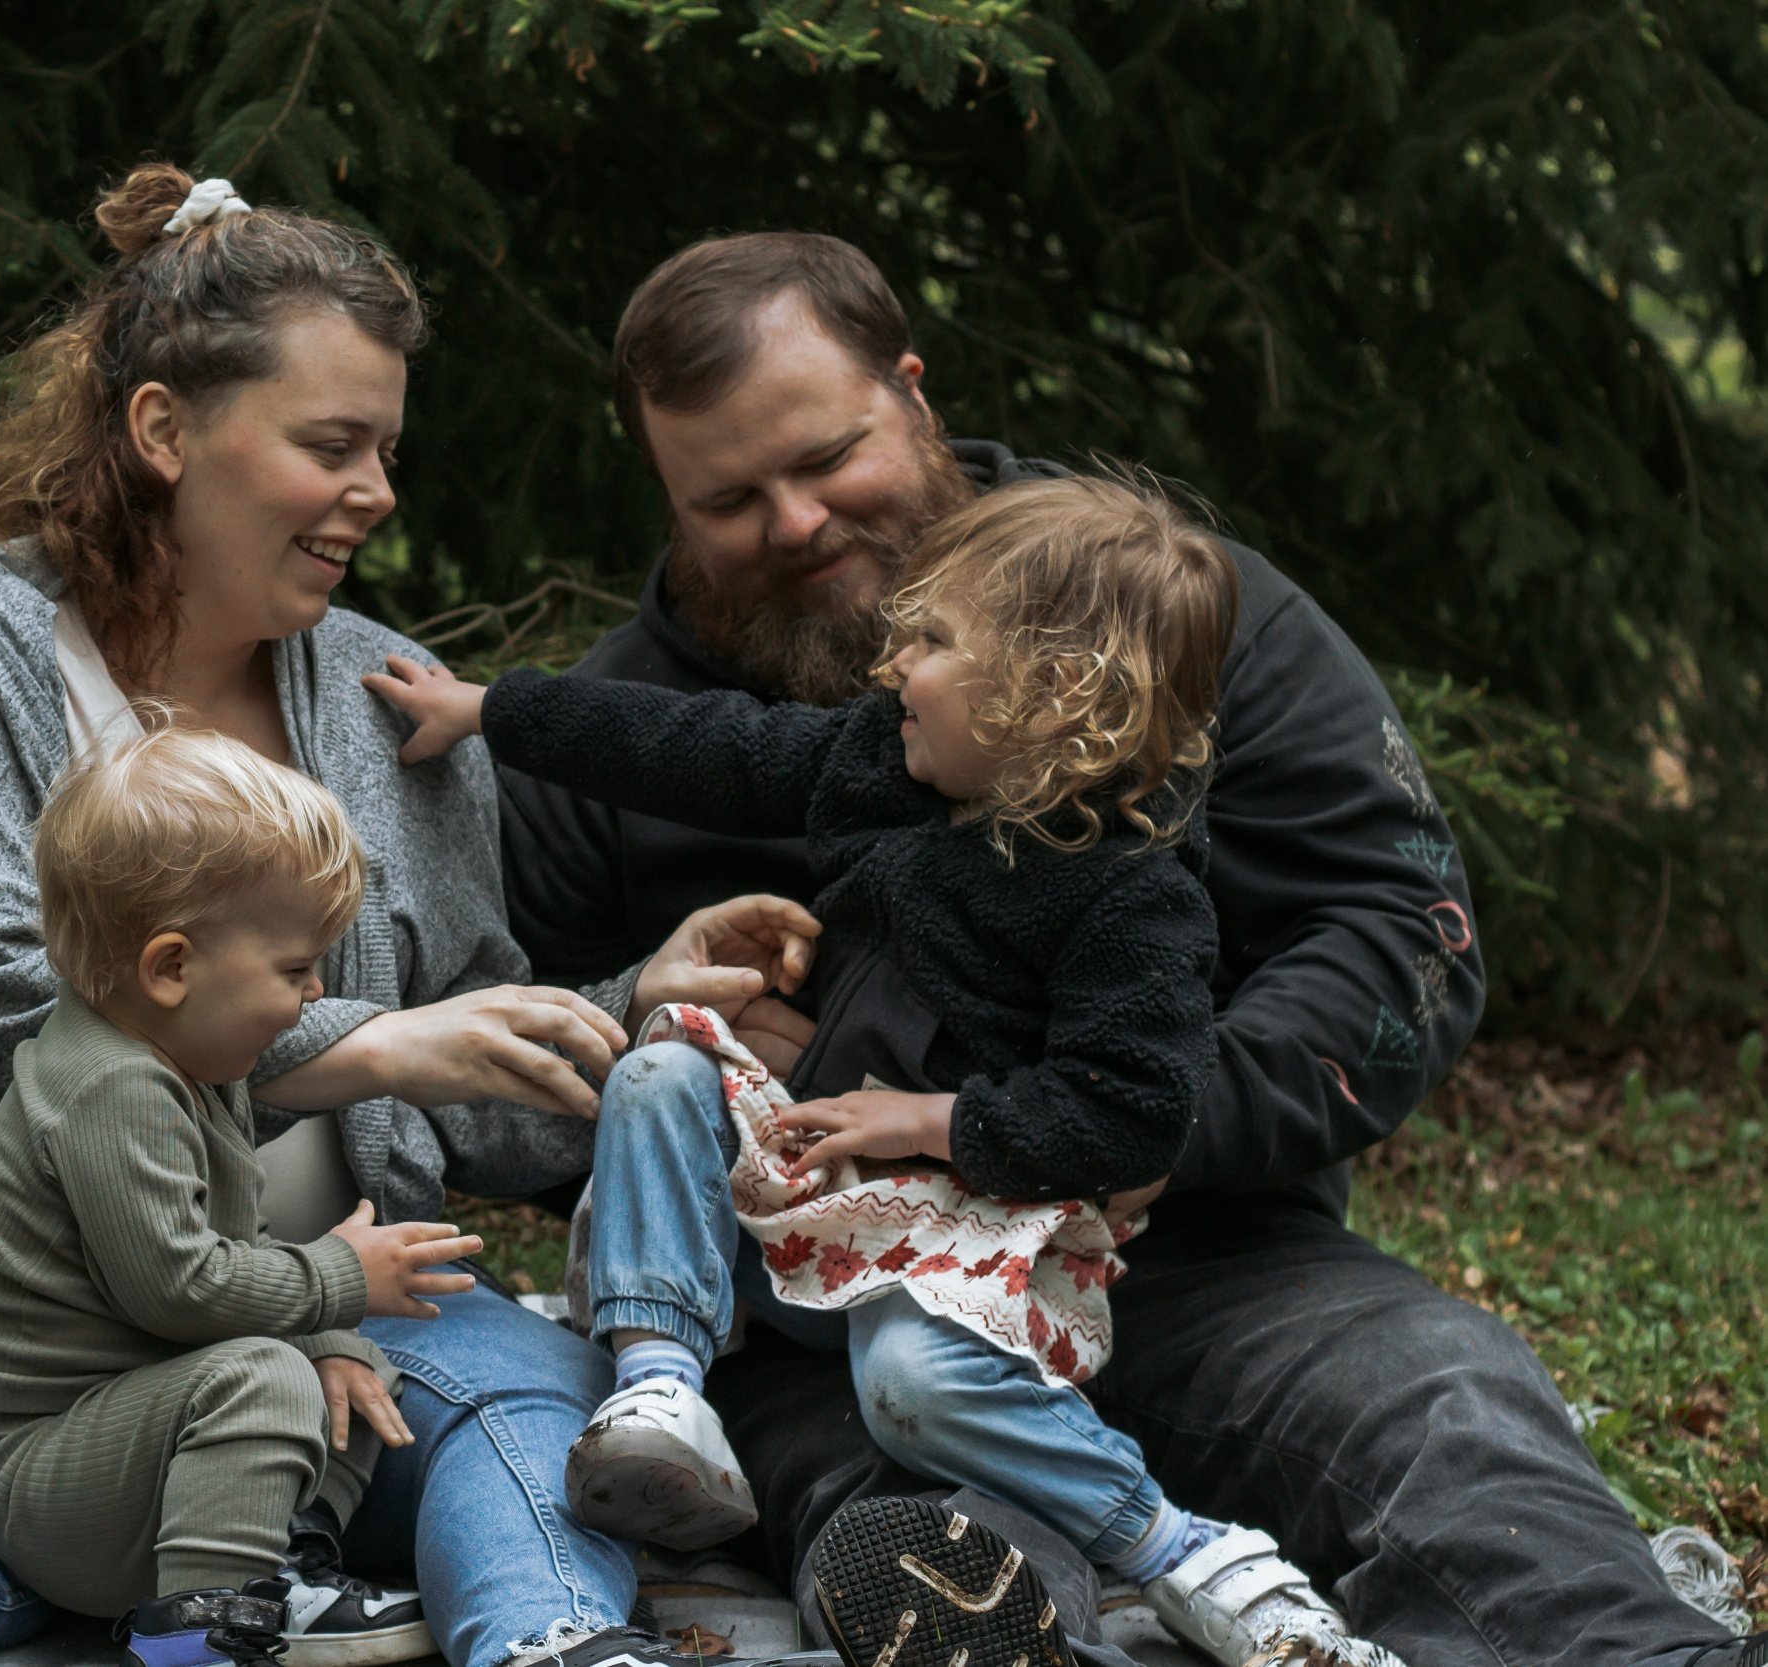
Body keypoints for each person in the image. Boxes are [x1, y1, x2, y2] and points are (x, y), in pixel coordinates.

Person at [0, 166, 817, 1667]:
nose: (377, 490)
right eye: (332, 444)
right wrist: (375, 1046)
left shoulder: (389, 700)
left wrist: (635, 1007)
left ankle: (560, 1642)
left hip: (311, 1293)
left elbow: (468, 1106)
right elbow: (10, 1020)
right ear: (165, 429)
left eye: (387, 448)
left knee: (526, 1417)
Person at [498, 231, 1762, 1667]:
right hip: (817, 1311)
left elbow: (1398, 926)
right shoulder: (608, 742)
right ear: (663, 497)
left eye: (827, 456)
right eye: (726, 498)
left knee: (1438, 1400)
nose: (793, 523)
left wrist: (1140, 1119)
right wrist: (651, 1015)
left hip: (1197, 1258)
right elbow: (491, 1090)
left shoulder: (1168, 612)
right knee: (909, 1521)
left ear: (910, 393)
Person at [372, 472, 1400, 1667]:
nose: (890, 665)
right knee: (665, 1071)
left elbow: (1133, 1109)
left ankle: (1182, 1553)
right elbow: (704, 745)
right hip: (806, 1186)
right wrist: (497, 709)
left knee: (915, 1380)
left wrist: (928, 1117)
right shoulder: (883, 765)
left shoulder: (1135, 896)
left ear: (1049, 694)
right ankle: (657, 1392)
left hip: (960, 1226)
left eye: (930, 642)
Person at [0, 724, 466, 1667]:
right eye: (296, 969)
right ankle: (204, 1632)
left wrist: (328, 1332)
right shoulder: (113, 1088)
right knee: (265, 1375)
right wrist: (341, 1276)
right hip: (48, 1470)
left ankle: (284, 1569)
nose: (312, 997)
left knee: (350, 1370)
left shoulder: (183, 1062)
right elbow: (180, 1288)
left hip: (142, 1439)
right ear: (172, 967)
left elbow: (230, 1239)